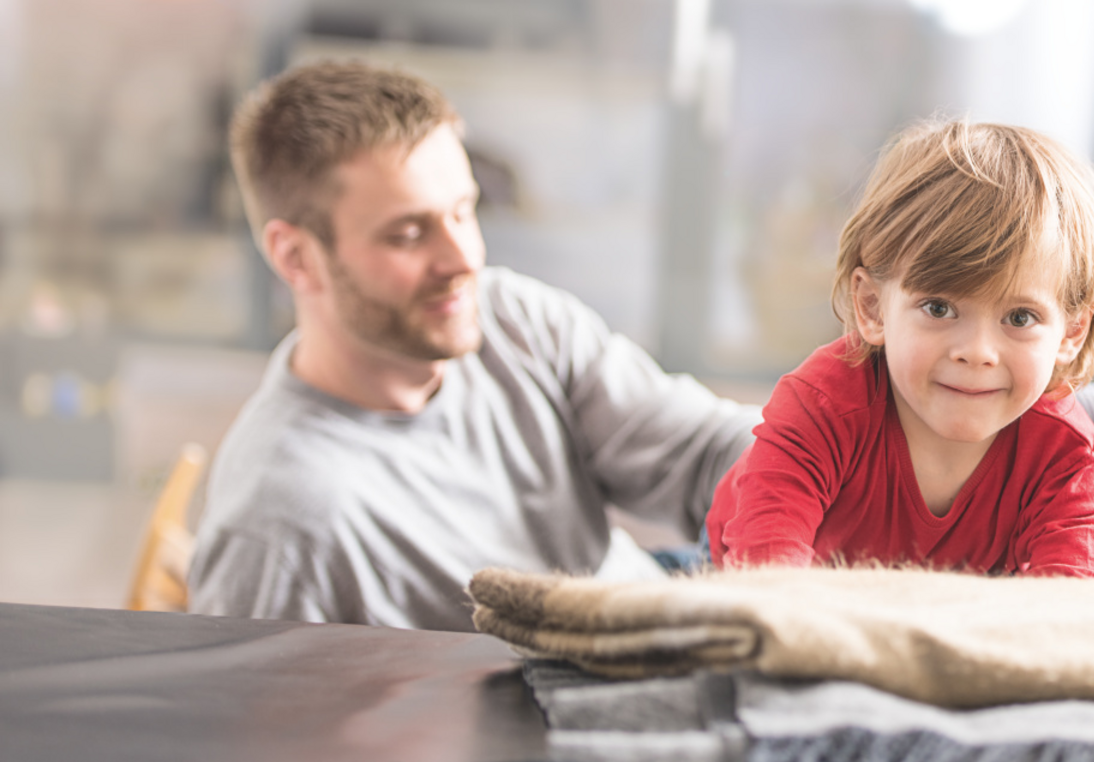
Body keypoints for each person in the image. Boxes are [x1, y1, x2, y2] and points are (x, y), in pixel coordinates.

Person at [189, 60, 759, 631]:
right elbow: (266, 716)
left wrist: (822, 463)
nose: (464, 258)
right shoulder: (284, 525)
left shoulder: (511, 318)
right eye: (408, 234)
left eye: (464, 211)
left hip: (649, 598)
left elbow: (703, 451)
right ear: (296, 258)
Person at [706, 121, 1094, 577]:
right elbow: (765, 588)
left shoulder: (1073, 461)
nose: (978, 352)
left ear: (1071, 333)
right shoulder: (820, 406)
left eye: (1019, 318)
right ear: (873, 308)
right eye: (939, 308)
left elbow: (1074, 621)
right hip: (746, 577)